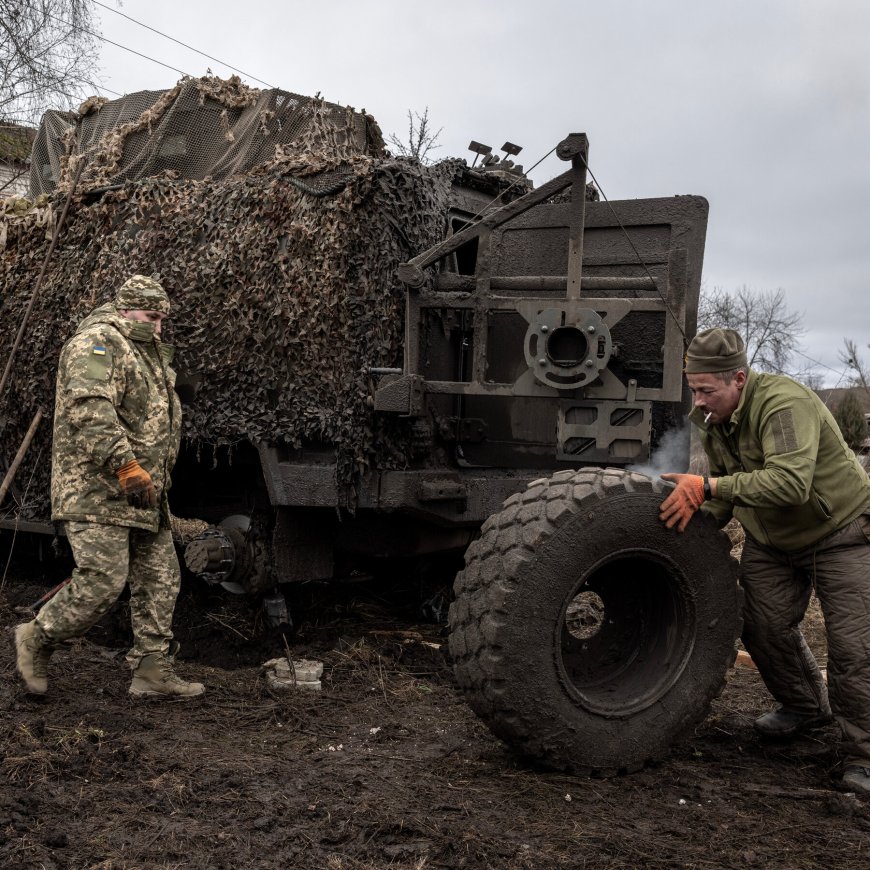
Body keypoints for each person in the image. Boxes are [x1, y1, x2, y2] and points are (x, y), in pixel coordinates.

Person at [659, 327, 870, 794]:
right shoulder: (714, 417)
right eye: (693, 389)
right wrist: (685, 522)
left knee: (853, 650)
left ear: (739, 378)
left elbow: (789, 483)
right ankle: (804, 708)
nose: (699, 400)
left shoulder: (783, 403)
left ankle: (864, 755)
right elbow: (727, 490)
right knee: (759, 624)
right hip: (773, 541)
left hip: (841, 534)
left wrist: (708, 488)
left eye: (707, 390)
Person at [14, 275, 204, 699]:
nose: (158, 327)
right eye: (151, 317)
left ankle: (152, 672)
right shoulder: (96, 344)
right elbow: (90, 410)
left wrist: (148, 477)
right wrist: (127, 467)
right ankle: (37, 637)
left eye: (162, 320)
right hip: (98, 489)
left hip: (144, 493)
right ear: (125, 309)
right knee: (102, 580)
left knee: (161, 577)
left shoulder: (147, 353)